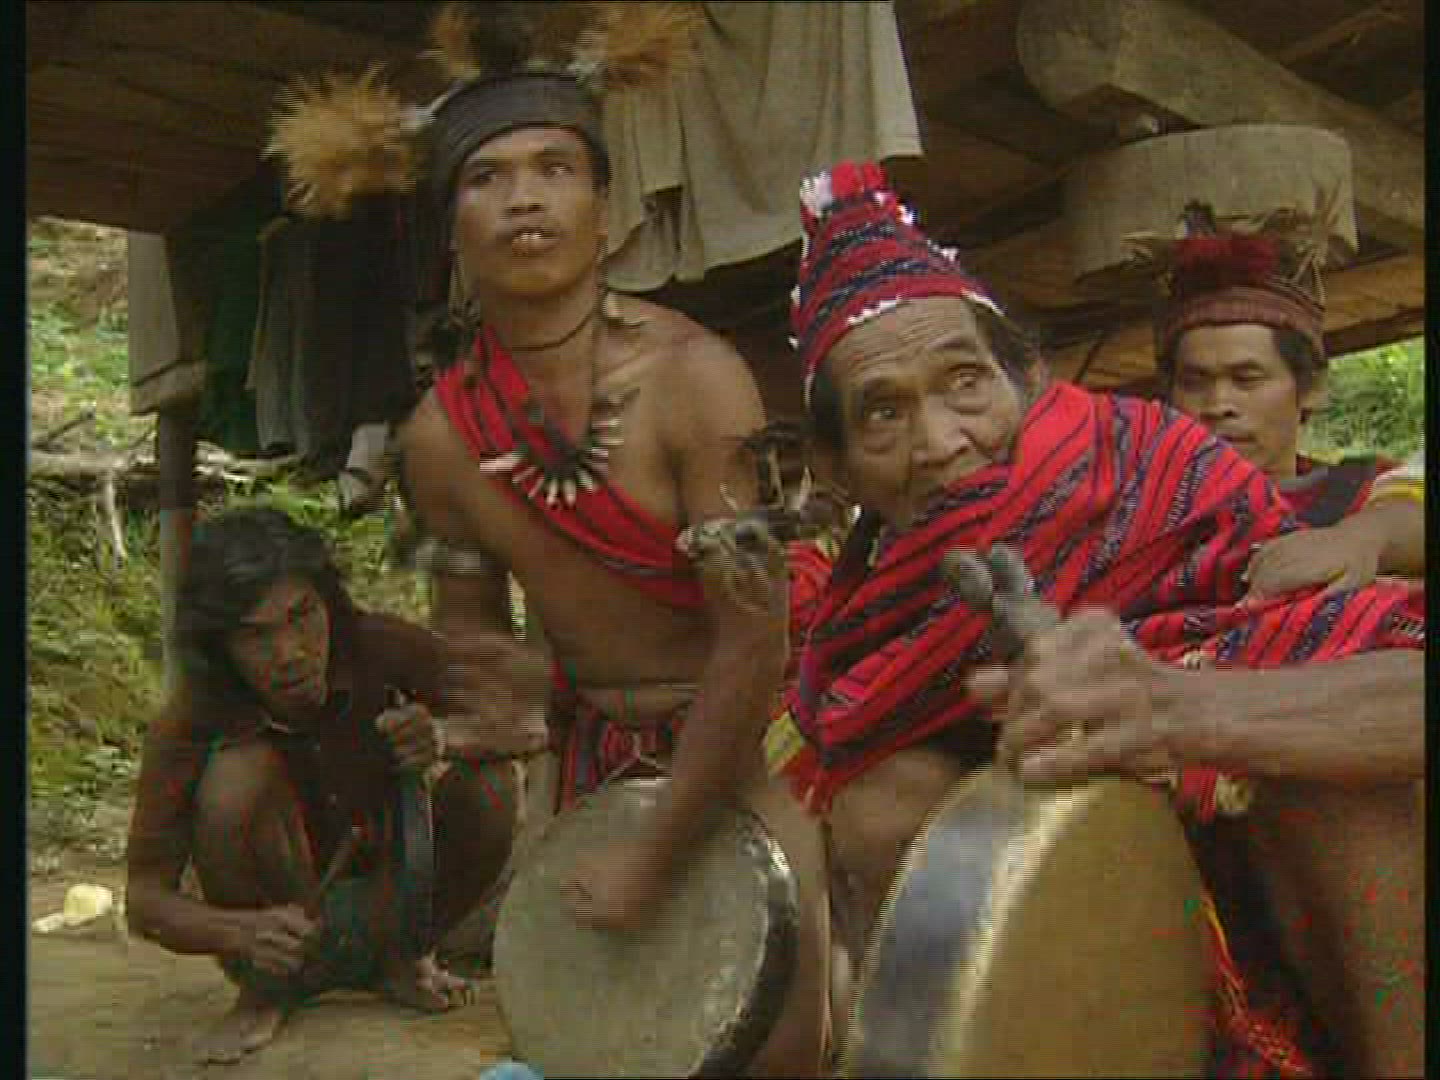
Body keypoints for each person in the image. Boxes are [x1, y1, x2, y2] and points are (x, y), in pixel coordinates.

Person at [267, 7, 832, 1074]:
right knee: (603, 1051)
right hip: (592, 770)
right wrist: (466, 724)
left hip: (743, 745)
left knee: (783, 1045)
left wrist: (655, 856)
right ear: (448, 228)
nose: (524, 198)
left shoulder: (697, 379)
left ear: (603, 210)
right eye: (487, 177)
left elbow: (754, 643)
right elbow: (482, 648)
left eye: (555, 168)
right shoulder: (439, 442)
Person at [768, 161, 1424, 1077]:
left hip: (1347, 946)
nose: (942, 442)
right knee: (883, 807)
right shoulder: (868, 636)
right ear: (838, 467)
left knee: (1321, 758)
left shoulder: (1163, 470)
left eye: (965, 382)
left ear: (1026, 377)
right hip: (1138, 983)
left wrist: (1176, 709)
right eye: (883, 412)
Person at [125, 508, 530, 1064]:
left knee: (493, 783)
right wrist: (239, 932)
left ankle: (404, 959)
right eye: (256, 635)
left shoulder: (379, 644)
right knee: (235, 777)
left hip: (396, 898)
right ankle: (266, 993)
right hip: (276, 932)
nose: (291, 652)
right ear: (221, 645)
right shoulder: (192, 718)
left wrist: (444, 735)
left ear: (328, 603)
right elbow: (145, 901)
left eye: (303, 616)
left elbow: (524, 721)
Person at [1150, 211, 1423, 595]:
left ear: (1311, 388)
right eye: (1194, 382)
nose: (1217, 404)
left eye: (1246, 379)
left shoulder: (1366, 491)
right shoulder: (1136, 512)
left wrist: (1362, 538)